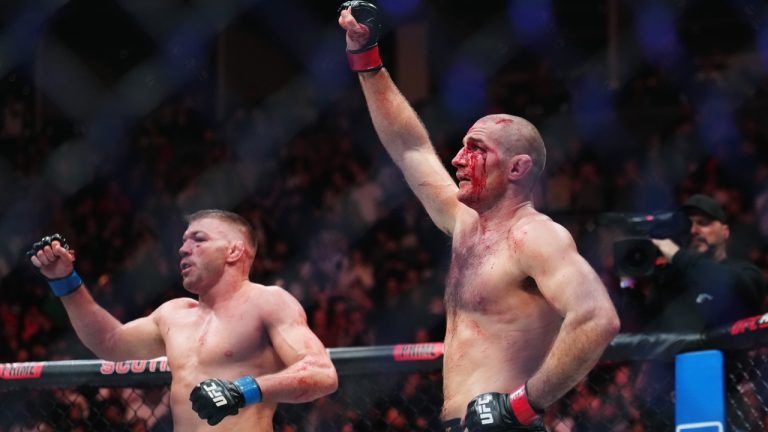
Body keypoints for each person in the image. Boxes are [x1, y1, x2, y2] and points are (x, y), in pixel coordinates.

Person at [337, 3, 620, 431]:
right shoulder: (464, 221)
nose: (457, 159)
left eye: (477, 149)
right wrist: (367, 57)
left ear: (517, 168)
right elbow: (410, 147)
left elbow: (597, 318)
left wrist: (520, 407)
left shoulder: (535, 236)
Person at [27, 209, 338, 431]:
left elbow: (323, 373)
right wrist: (65, 282)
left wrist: (242, 391)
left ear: (233, 250)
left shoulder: (268, 302)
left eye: (198, 240)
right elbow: (110, 343)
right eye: (184, 241)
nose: (182, 249)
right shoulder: (174, 313)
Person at [648, 193, 765, 332]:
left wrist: (677, 255)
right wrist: (628, 282)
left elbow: (735, 286)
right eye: (687, 225)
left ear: (725, 231)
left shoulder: (746, 272)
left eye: (702, 223)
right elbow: (644, 330)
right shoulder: (672, 281)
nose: (693, 231)